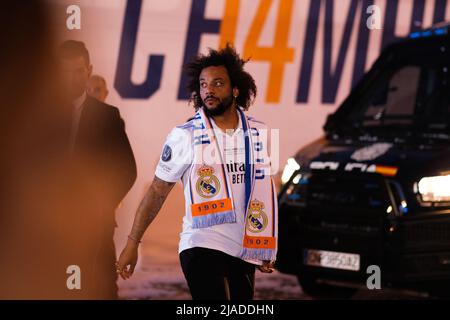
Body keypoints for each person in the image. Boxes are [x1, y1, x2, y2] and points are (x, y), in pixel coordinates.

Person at [117, 44, 278, 300]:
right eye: (203, 84)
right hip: (201, 244)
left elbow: (261, 192)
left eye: (217, 83)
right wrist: (133, 242)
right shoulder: (185, 136)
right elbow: (157, 191)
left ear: (236, 90)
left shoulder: (259, 133)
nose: (209, 90)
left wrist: (263, 245)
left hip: (242, 250)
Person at [58, 40, 137, 299]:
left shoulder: (108, 117)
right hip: (48, 228)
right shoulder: (40, 116)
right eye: (65, 71)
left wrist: (98, 205)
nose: (72, 78)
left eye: (78, 71)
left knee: (100, 289)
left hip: (95, 228)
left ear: (89, 69)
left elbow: (127, 170)